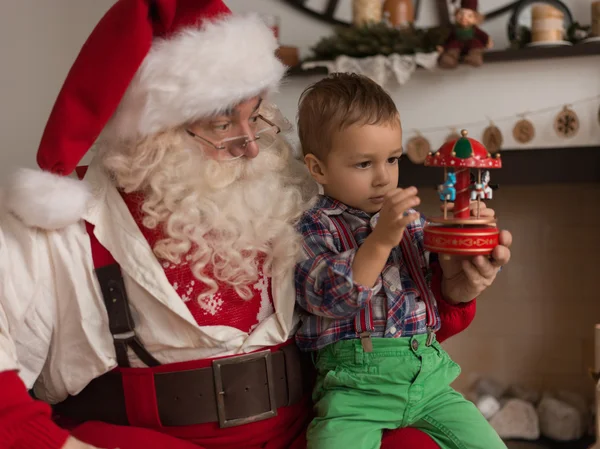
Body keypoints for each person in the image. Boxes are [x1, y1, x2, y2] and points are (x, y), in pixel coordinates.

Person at [0, 1, 483, 449]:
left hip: (305, 430)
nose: (251, 146)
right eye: (220, 124)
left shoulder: (280, 202)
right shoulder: (60, 227)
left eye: (255, 117)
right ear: (151, 133)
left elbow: (366, 327)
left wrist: (452, 292)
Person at [294, 73, 512, 449]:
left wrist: (470, 241)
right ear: (317, 169)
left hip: (428, 379)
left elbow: (440, 280)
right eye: (364, 164)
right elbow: (329, 297)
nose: (384, 178)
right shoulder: (313, 226)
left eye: (392, 159)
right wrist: (379, 243)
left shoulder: (408, 221)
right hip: (355, 388)